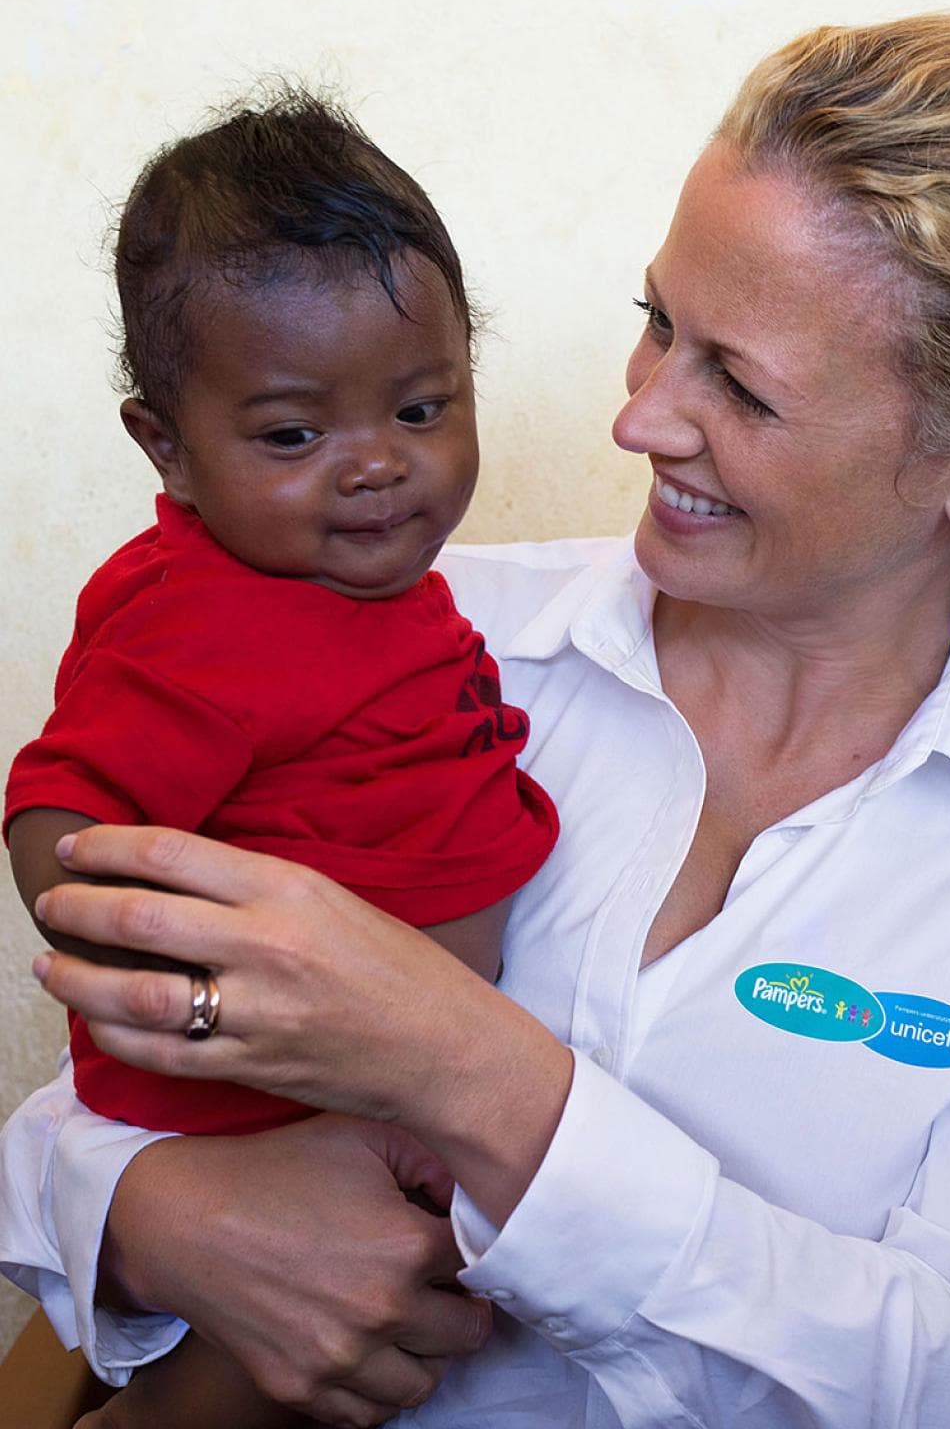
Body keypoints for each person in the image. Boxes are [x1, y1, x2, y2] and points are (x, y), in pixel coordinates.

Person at [1, 11, 950, 1428]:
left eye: (740, 383)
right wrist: (164, 1218)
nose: (643, 418)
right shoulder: (407, 633)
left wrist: (480, 1078)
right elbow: (65, 1110)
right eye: (658, 324)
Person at [2, 90, 559, 1427]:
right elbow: (55, 803)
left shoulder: (382, 583)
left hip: (394, 1075)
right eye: (294, 436)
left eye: (422, 408)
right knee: (293, 1351)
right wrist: (172, 982)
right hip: (265, 1103)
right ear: (167, 449)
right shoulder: (196, 621)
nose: (375, 467)